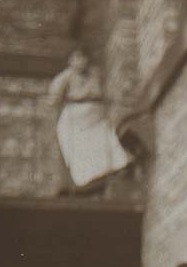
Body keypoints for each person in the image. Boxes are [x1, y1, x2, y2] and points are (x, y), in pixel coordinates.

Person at [49, 49, 133, 193]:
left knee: (104, 136)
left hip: (95, 113)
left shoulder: (95, 73)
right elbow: (54, 99)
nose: (81, 61)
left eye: (83, 57)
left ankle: (115, 166)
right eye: (76, 58)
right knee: (77, 142)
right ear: (70, 61)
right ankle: (86, 177)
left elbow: (102, 93)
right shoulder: (65, 77)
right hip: (77, 114)